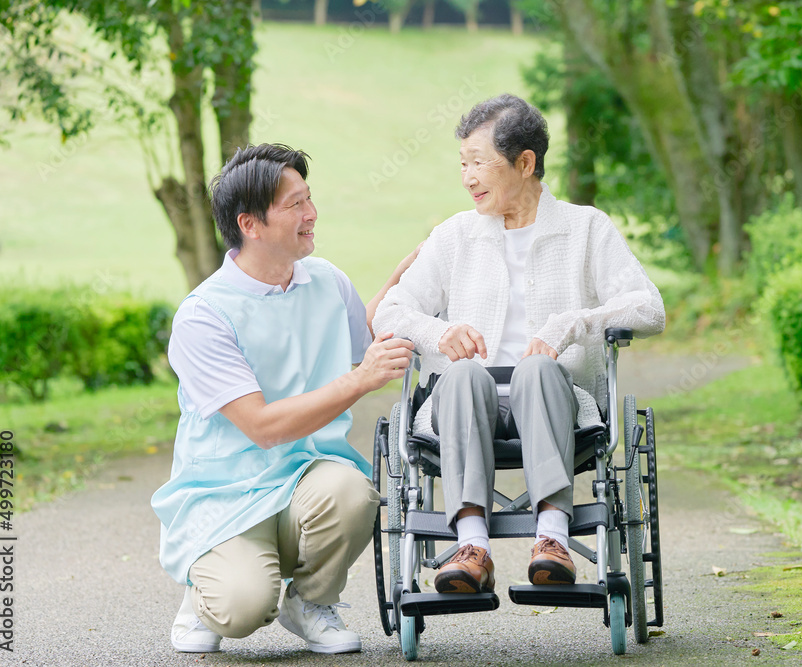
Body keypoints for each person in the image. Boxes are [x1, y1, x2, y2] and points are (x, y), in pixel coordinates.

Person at [373, 95, 665, 595]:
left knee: (537, 370)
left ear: (525, 163)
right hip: (463, 403)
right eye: (462, 164)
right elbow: (389, 311)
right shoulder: (454, 235)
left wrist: (571, 323)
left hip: (558, 402)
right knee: (464, 372)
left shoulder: (585, 228)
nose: (467, 177)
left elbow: (649, 308)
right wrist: (439, 333)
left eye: (479, 163)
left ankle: (551, 540)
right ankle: (472, 547)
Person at [151, 143, 416, 654]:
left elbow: (365, 338)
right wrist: (358, 381)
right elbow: (263, 426)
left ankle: (311, 601)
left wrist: (404, 282)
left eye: (309, 199)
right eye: (294, 205)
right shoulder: (204, 316)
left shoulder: (327, 281)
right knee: (242, 607)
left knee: (354, 493)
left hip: (307, 477)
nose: (311, 214)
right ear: (250, 224)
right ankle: (203, 589)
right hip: (227, 494)